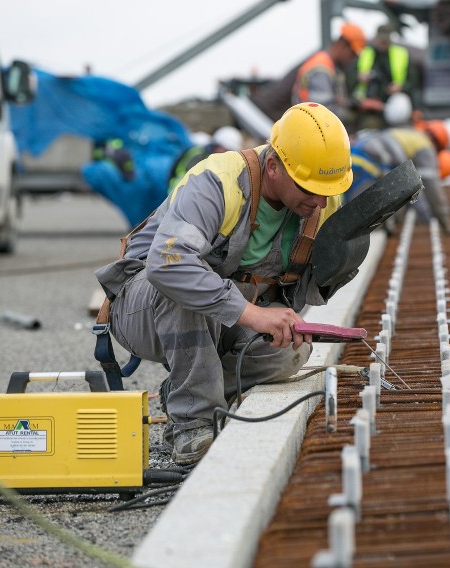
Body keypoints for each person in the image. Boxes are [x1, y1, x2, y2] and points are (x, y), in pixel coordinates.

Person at [94, 103, 356, 465]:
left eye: (327, 190)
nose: (320, 201)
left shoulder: (319, 202)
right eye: (309, 188)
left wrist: (309, 289)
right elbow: (167, 265)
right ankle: (192, 424)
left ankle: (186, 391)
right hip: (142, 306)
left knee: (288, 352)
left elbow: (291, 287)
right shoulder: (218, 181)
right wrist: (251, 313)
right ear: (274, 166)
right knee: (181, 288)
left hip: (221, 315)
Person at [347, 93, 450, 234]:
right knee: (357, 222)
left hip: (355, 155)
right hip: (367, 163)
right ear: (437, 144)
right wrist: (444, 221)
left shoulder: (409, 135)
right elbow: (431, 188)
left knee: (353, 211)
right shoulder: (424, 146)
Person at [292, 22, 366, 128]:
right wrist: (354, 112)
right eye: (352, 54)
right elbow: (322, 113)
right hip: (310, 129)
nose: (352, 59)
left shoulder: (332, 66)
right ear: (342, 46)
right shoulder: (322, 69)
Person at [352, 23, 412, 130]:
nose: (383, 42)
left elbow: (412, 81)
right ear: (376, 38)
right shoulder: (365, 53)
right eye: (381, 39)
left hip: (394, 107)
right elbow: (350, 78)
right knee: (369, 129)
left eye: (386, 39)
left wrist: (400, 87)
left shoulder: (401, 54)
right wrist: (359, 78)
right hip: (370, 111)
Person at [168, 126, 245, 190]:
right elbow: (190, 179)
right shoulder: (198, 154)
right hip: (178, 191)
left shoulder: (215, 159)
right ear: (217, 145)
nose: (226, 154)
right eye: (225, 149)